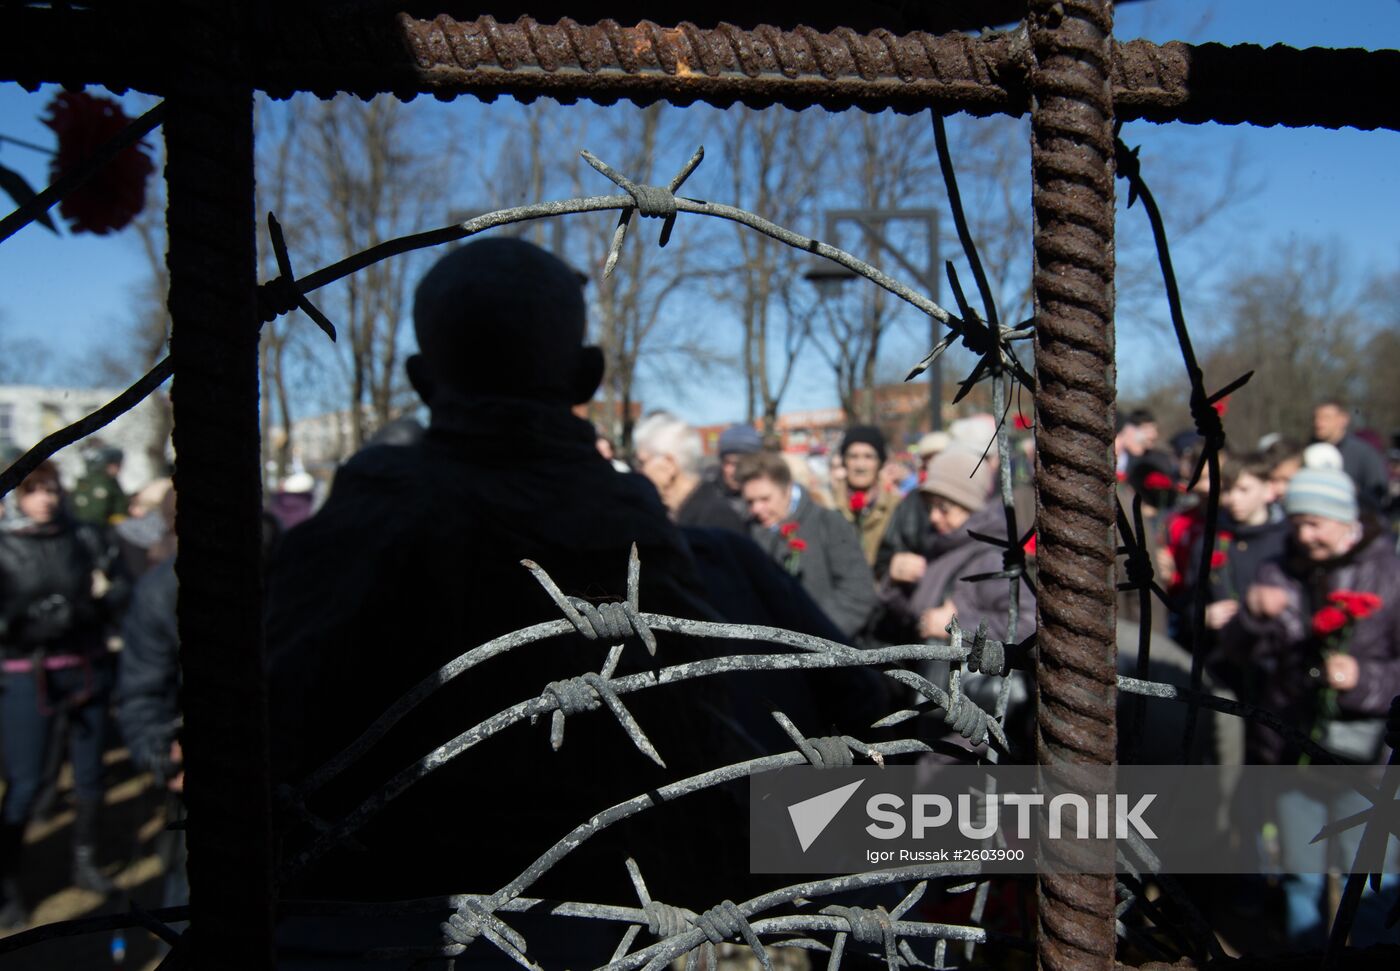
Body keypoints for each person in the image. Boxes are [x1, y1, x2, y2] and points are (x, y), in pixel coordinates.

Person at [264, 239, 752, 962]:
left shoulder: (358, 526)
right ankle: (977, 825)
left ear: (421, 379)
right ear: (588, 375)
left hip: (379, 919)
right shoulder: (642, 530)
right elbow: (711, 742)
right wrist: (935, 821)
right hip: (610, 912)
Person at [1233, 467, 1400, 945]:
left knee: (1371, 881)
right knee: (1301, 877)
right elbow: (1239, 656)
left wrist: (1361, 679)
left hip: (1369, 764)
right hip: (1291, 756)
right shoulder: (1278, 568)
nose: (1305, 535)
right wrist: (1249, 617)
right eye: (1298, 523)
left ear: (1345, 520)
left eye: (1316, 523)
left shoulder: (1389, 573)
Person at [0, 460, 129, 928]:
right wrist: (25, 625)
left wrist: (95, 608)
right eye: (34, 490)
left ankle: (85, 862)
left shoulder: (86, 538)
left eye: (52, 488)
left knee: (90, 774)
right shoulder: (4, 546)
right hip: (25, 678)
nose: (45, 498)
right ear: (18, 495)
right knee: (27, 782)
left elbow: (123, 587)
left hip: (87, 670)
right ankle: (8, 883)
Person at [734, 450, 876, 640]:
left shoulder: (828, 522)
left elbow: (857, 592)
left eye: (765, 499)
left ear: (787, 490)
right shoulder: (746, 532)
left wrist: (815, 635)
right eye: (750, 501)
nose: (756, 509)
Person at [632, 412, 745, 532]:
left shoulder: (716, 521)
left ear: (669, 464)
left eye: (642, 462)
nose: (639, 471)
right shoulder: (671, 515)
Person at [830, 426, 900, 567]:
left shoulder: (896, 507)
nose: (860, 465)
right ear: (844, 461)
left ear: (880, 462)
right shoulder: (828, 505)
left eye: (868, 457)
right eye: (853, 457)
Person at [1312, 400, 1387, 514]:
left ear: (1343, 419)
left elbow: (1378, 493)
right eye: (1316, 418)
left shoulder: (1364, 452)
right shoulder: (1308, 451)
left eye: (1326, 418)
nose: (1319, 423)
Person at [70, 444, 127, 527]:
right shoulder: (101, 483)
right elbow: (97, 510)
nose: (118, 469)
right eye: (116, 465)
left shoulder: (111, 482)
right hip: (98, 528)